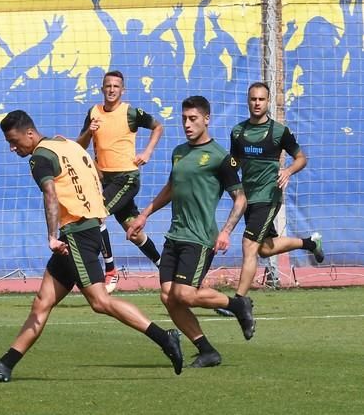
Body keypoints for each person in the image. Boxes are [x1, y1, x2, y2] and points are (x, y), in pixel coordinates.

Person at [0, 110, 183, 382]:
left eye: (14, 141)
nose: (12, 148)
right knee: (42, 302)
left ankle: (164, 337)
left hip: (76, 233)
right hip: (87, 228)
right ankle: (6, 364)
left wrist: (52, 236)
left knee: (100, 301)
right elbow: (95, 174)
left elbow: (50, 193)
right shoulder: (67, 144)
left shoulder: (40, 157)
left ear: (29, 133)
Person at [128, 96, 253, 368]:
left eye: (193, 118)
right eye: (184, 118)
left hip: (199, 238)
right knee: (168, 297)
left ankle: (237, 305)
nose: (187, 124)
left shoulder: (221, 158)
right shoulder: (179, 152)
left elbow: (240, 199)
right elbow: (172, 188)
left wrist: (226, 231)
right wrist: (144, 215)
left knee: (184, 294)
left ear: (206, 119)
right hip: (175, 236)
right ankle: (207, 350)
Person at [231, 82, 323, 296]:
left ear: (268, 101)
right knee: (263, 247)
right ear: (248, 101)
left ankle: (239, 300)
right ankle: (310, 243)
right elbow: (234, 162)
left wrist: (288, 171)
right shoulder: (237, 132)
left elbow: (301, 158)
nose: (257, 103)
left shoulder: (279, 132)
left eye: (261, 99)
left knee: (249, 244)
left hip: (268, 196)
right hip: (248, 198)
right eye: (253, 99)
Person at [76, 70, 163, 293]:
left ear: (122, 90)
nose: (112, 90)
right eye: (108, 86)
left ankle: (111, 271)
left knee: (96, 215)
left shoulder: (130, 112)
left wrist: (147, 152)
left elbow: (158, 126)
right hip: (105, 180)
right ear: (102, 89)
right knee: (133, 231)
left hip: (127, 178)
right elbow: (80, 145)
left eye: (116, 86)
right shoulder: (94, 112)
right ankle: (164, 266)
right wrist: (89, 131)